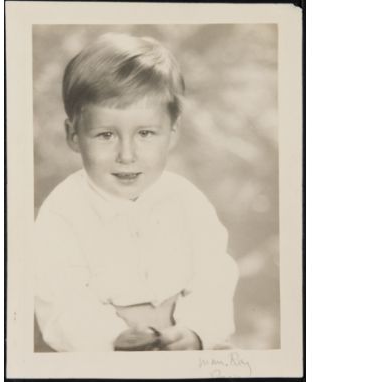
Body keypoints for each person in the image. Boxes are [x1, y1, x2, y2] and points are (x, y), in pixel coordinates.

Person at [34, 32, 239, 352]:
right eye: (105, 135)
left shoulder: (186, 200)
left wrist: (197, 331)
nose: (127, 155)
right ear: (74, 135)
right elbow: (61, 299)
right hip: (106, 359)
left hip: (183, 350)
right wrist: (110, 338)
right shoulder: (63, 211)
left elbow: (214, 276)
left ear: (172, 133)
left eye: (145, 133)